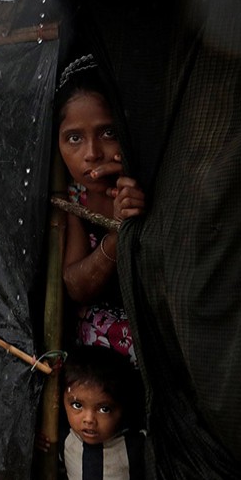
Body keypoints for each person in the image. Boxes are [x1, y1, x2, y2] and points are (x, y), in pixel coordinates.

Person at [55, 54, 145, 365]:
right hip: (99, 353)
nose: (92, 154)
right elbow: (76, 286)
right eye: (74, 138)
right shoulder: (72, 196)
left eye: (108, 133)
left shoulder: (150, 181)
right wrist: (117, 235)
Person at [59, 345, 146, 480]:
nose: (88, 419)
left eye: (104, 409)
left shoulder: (138, 445)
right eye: (77, 405)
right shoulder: (63, 439)